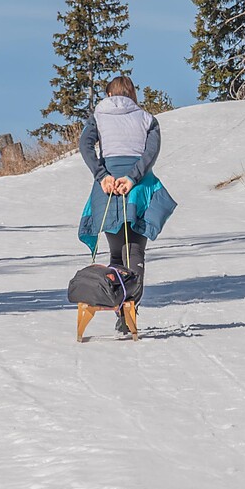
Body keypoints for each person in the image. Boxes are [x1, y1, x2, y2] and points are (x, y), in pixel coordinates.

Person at [77, 76, 177, 333]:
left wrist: (102, 176)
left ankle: (120, 307)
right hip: (138, 185)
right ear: (132, 94)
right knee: (135, 250)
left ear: (109, 94)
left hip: (108, 186)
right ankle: (130, 311)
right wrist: (132, 177)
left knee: (115, 251)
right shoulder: (147, 119)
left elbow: (85, 145)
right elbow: (151, 152)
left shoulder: (98, 116)